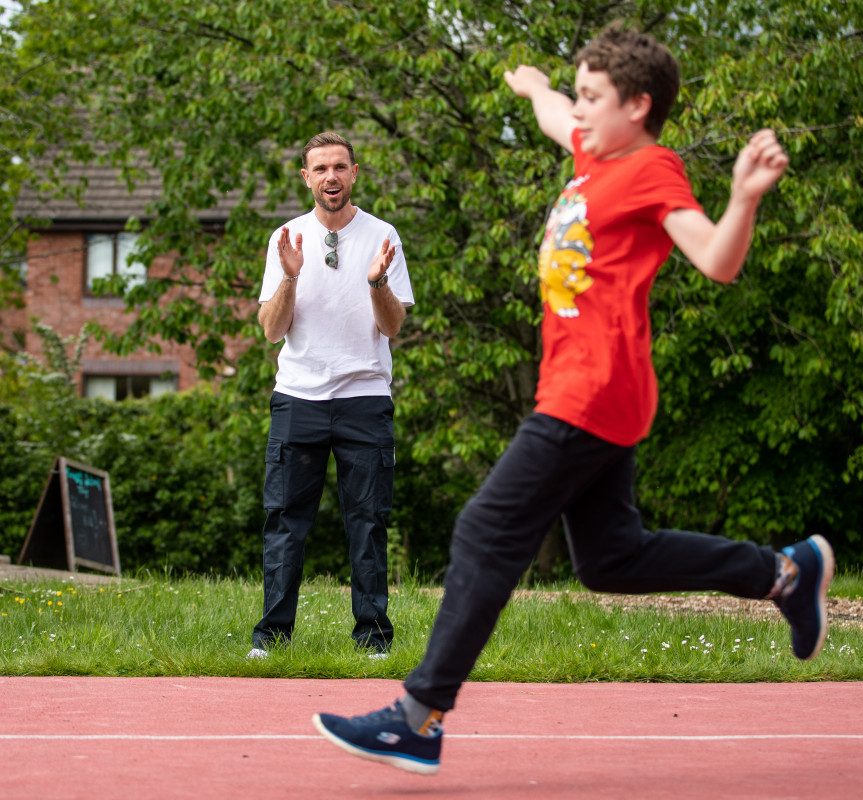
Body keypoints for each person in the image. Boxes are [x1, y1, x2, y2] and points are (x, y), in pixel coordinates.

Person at [312, 24, 832, 773]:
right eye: (580, 95)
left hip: (594, 393)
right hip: (583, 392)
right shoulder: (593, 150)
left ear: (638, 105)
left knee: (485, 531)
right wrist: (533, 87)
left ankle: (417, 717)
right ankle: (785, 573)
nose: (580, 110)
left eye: (595, 97)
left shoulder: (653, 169)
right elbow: (556, 113)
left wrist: (743, 199)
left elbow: (716, 259)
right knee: (612, 559)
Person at [248, 131, 414, 659]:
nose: (331, 178)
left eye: (339, 167)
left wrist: (377, 284)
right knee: (284, 521)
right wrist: (290, 280)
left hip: (364, 396)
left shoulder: (382, 235)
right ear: (306, 178)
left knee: (368, 521)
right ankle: (272, 638)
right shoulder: (286, 238)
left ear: (355, 173)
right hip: (299, 397)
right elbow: (271, 331)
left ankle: (373, 640)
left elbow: (393, 328)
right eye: (320, 169)